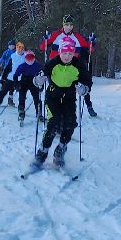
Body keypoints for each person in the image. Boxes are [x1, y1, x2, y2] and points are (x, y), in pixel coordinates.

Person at [33, 35, 91, 167]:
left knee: (71, 124)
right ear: (60, 51)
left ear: (74, 53)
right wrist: (38, 81)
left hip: (69, 98)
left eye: (70, 53)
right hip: (52, 96)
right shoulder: (52, 63)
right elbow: (40, 77)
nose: (67, 56)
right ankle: (43, 151)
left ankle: (60, 149)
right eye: (64, 52)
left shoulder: (78, 65)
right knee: (53, 123)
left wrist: (84, 89)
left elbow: (87, 81)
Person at [44, 15, 97, 117]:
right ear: (63, 25)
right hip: (56, 67)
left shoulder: (77, 37)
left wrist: (92, 43)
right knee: (54, 91)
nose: (68, 27)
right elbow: (43, 46)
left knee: (82, 85)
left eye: (70, 25)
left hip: (72, 68)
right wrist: (44, 39)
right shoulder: (56, 35)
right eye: (66, 25)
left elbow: (89, 49)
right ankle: (53, 113)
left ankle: (89, 106)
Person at [0, 41, 25, 114]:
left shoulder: (23, 56)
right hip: (10, 75)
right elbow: (4, 63)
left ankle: (18, 106)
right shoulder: (9, 54)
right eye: (18, 48)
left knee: (19, 93)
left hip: (19, 78)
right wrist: (2, 76)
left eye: (21, 49)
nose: (20, 50)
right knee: (3, 91)